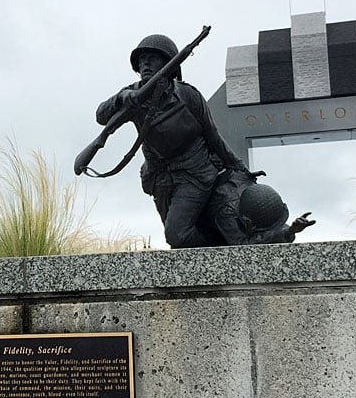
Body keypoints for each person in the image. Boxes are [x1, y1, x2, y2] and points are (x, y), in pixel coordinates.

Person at [96, 33, 314, 248]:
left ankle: (217, 250)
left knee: (177, 236)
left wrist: (240, 168)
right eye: (141, 59)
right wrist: (121, 99)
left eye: (152, 58)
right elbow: (101, 116)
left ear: (169, 64)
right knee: (179, 239)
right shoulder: (132, 96)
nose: (145, 63)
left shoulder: (188, 96)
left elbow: (213, 137)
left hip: (195, 174)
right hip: (159, 179)